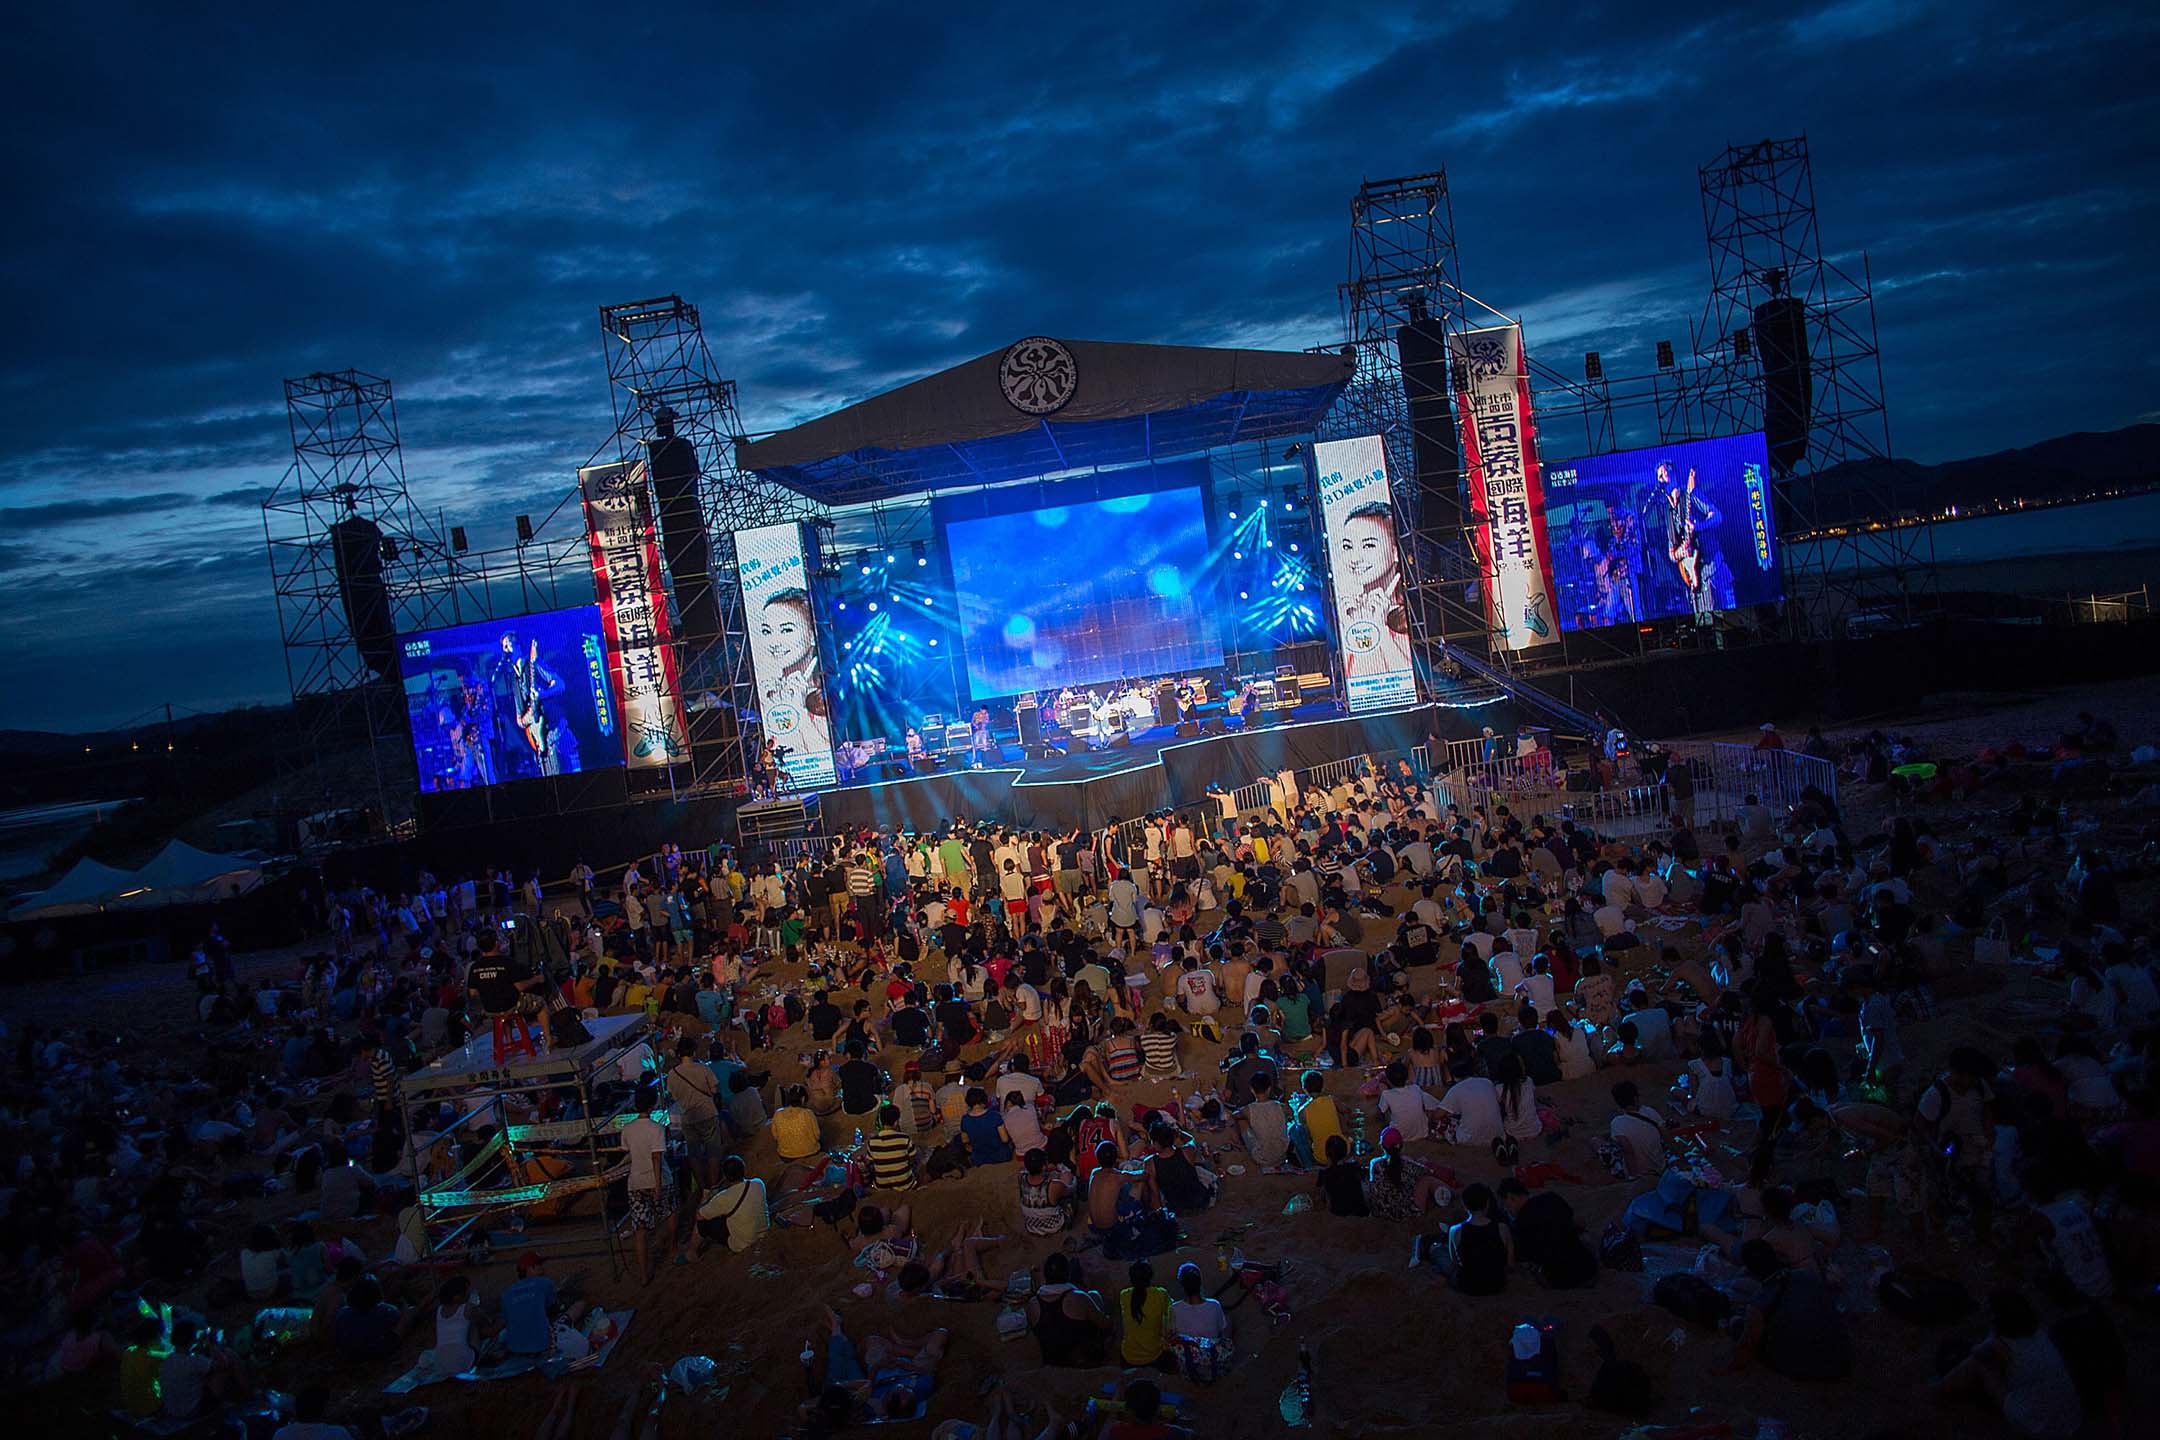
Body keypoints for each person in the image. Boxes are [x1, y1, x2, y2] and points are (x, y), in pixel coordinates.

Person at [1932, 1288, 2082, 1439]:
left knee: (1977, 1364)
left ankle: (1940, 1388)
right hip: (2072, 1417)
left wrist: (1992, 1332)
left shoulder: (1999, 1344)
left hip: (2040, 1424)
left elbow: (1976, 1352)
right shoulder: (2038, 1332)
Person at [1721, 1239, 1853, 1382]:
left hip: (1812, 1369)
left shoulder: (1758, 1306)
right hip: (1841, 1357)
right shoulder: (1806, 1275)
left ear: (1749, 1270)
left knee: (1736, 1324)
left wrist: (1722, 1368)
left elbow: (1745, 1351)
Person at [1333, 499, 1414, 680]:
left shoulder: (1412, 608)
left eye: (1368, 545)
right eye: (1348, 546)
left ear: (1395, 551)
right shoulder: (1348, 611)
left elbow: (1408, 678)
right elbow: (1357, 680)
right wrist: (1355, 627)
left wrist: (1380, 628)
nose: (1354, 558)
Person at [620, 1081, 673, 1284]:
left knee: (640, 1230)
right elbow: (657, 1158)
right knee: (669, 1211)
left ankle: (643, 1275)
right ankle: (673, 1247)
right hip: (657, 1179)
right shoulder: (656, 1128)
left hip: (636, 1182)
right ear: (652, 1105)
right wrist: (658, 1185)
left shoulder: (628, 1129)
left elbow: (628, 1152)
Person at [1027, 1252, 1112, 1366]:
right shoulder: (1078, 1297)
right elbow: (1105, 1324)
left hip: (1052, 1360)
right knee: (1094, 1295)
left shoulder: (1033, 1303)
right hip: (1082, 1359)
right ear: (1068, 1274)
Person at [1167, 1261, 1233, 1375]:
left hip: (1188, 1359)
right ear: (1200, 1282)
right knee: (1229, 1321)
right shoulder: (1214, 1305)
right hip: (1214, 1358)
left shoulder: (1174, 1308)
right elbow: (1223, 1329)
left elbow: (1172, 1334)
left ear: (1182, 1284)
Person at [1119, 1258, 1178, 1372]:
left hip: (1128, 1357)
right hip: (1154, 1356)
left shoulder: (1124, 1295)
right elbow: (1171, 1315)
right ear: (1150, 1276)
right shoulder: (1160, 1294)